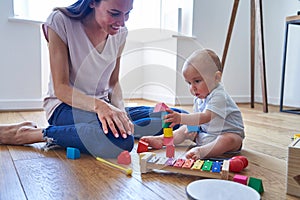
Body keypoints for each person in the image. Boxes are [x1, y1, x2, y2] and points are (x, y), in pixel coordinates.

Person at [0, 0, 184, 157]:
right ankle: (31, 134)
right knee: (121, 142)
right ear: (92, 2)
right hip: (65, 106)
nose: (121, 22)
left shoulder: (121, 33)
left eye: (127, 14)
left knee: (176, 117)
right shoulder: (60, 21)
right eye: (114, 13)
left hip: (103, 107)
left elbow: (113, 83)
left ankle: (110, 128)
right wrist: (101, 106)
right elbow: (61, 88)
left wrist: (119, 111)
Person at [141, 49, 245, 159]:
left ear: (216, 78)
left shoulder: (219, 96)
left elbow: (205, 117)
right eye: (189, 83)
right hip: (206, 135)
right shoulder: (199, 97)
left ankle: (202, 151)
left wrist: (180, 118)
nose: (192, 88)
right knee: (185, 128)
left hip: (228, 138)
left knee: (229, 139)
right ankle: (163, 139)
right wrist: (192, 128)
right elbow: (197, 119)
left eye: (197, 81)